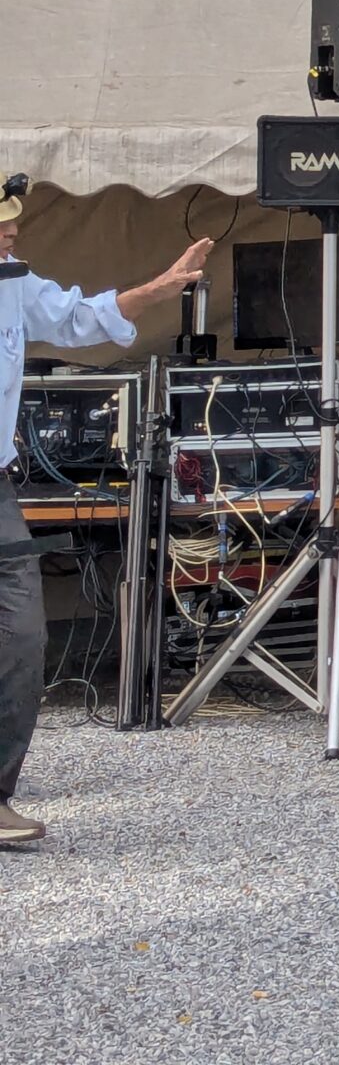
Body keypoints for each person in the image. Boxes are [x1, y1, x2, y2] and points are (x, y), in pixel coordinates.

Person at [0, 173, 208, 849]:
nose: (11, 233)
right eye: (0, 224)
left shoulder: (12, 283)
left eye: (11, 223)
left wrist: (159, 287)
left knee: (19, 635)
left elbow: (81, 317)